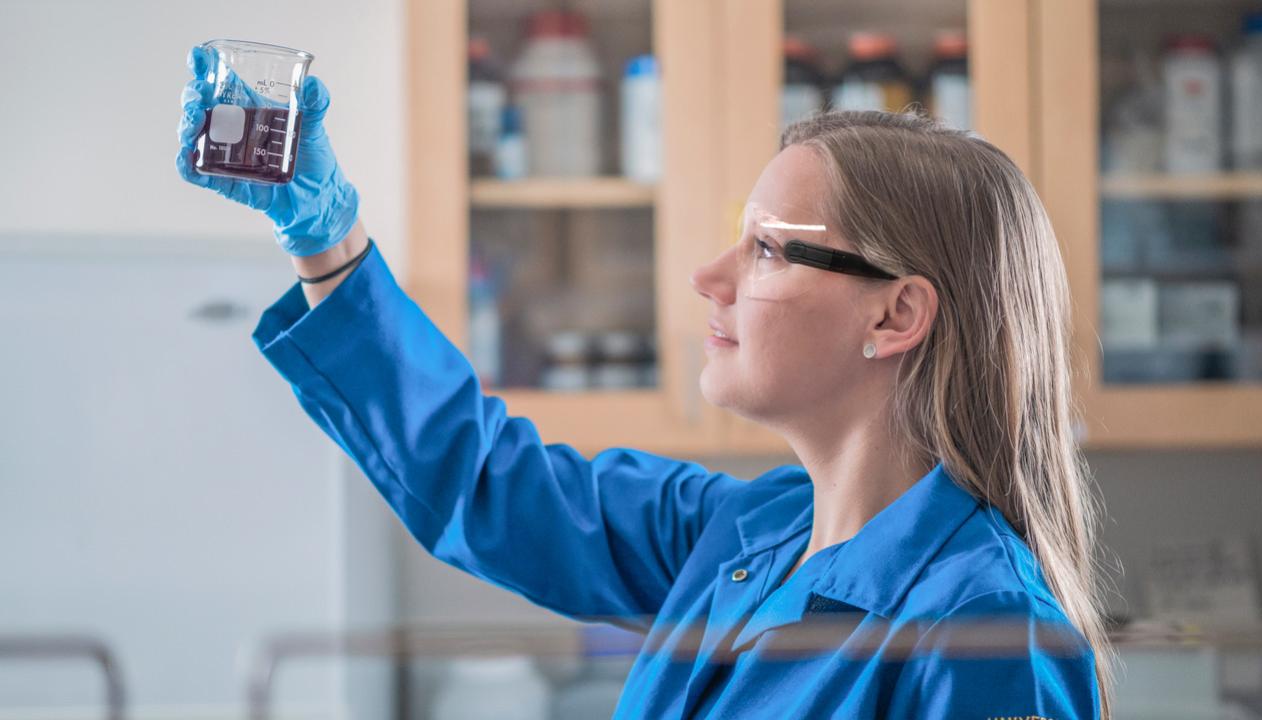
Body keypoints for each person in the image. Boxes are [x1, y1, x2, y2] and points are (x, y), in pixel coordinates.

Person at [177, 45, 1112, 719]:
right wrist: (326, 242)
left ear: (895, 315)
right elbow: (487, 482)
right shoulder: (749, 532)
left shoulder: (991, 633)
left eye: (767, 250)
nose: (710, 278)